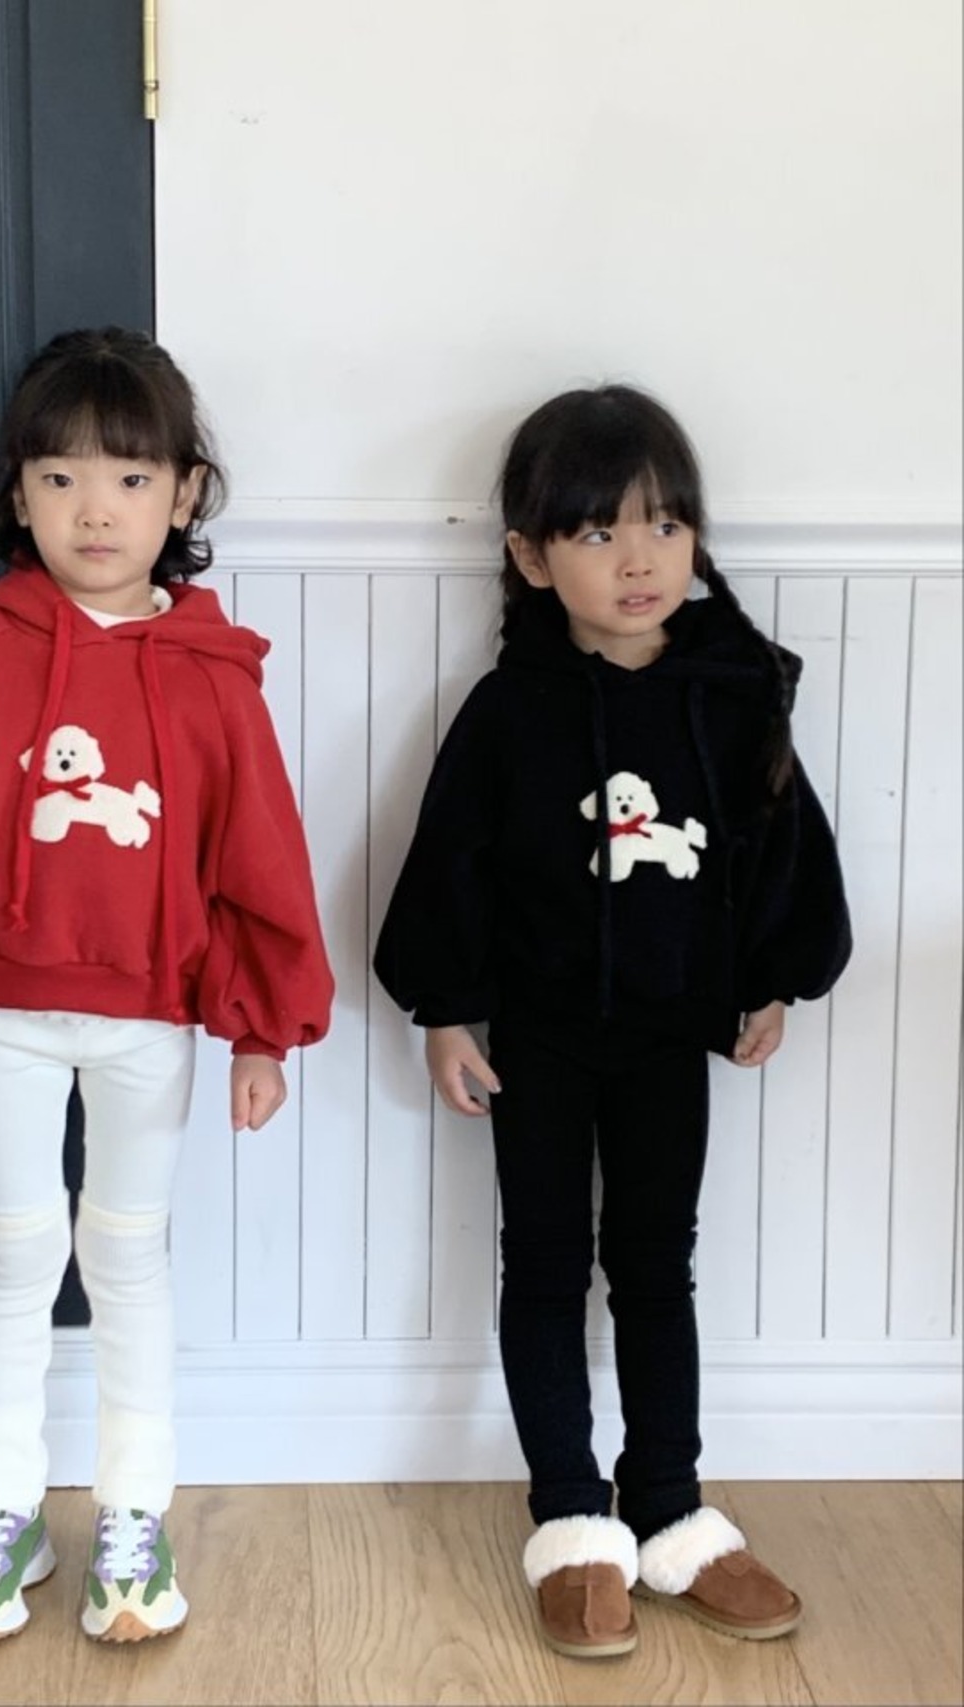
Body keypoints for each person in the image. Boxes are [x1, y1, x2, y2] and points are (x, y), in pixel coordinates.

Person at [0, 326, 333, 1644]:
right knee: (14, 1251)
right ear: (18, 493)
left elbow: (257, 856)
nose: (94, 510)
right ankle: (1, 1511)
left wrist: (262, 1031)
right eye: (59, 478)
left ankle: (132, 1517)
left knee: (126, 1256)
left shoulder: (214, 677)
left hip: (149, 1022)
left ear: (184, 494)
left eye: (129, 478)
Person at [373, 384, 850, 1660]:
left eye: (662, 526)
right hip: (533, 1040)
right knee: (542, 1266)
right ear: (531, 558)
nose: (636, 559)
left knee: (654, 1268)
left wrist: (771, 979)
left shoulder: (730, 698)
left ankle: (670, 1507)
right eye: (595, 532)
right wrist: (446, 1009)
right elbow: (453, 860)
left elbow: (776, 848)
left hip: (665, 1039)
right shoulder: (507, 710)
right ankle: (571, 1519)